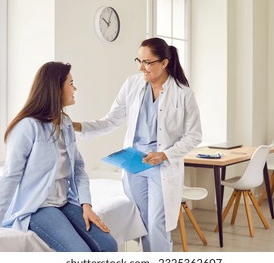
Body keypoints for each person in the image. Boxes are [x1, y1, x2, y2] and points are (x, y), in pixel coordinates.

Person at [0, 62, 118, 252]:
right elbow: (10, 175)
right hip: (38, 207)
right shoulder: (27, 126)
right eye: (71, 83)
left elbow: (79, 169)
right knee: (80, 253)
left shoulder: (65, 123)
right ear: (55, 88)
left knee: (109, 245)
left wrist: (86, 205)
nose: (75, 88)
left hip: (65, 201)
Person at [73, 38, 202, 252]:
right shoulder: (132, 84)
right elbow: (111, 120)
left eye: (148, 62)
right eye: (139, 61)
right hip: (134, 165)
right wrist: (77, 126)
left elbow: (194, 136)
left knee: (156, 223)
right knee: (144, 222)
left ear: (164, 63)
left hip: (161, 167)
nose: (142, 67)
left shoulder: (183, 93)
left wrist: (165, 154)